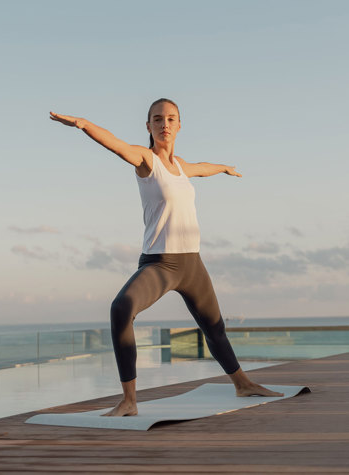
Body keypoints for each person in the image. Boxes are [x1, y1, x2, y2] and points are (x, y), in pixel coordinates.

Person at [50, 98, 283, 417]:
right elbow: (116, 145)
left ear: (179, 125)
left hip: (192, 265)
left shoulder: (181, 166)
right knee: (121, 309)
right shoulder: (147, 160)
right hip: (161, 264)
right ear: (148, 126)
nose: (165, 124)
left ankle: (242, 383)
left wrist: (224, 168)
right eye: (157, 119)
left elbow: (202, 168)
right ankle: (129, 400)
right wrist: (84, 124)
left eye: (171, 119)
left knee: (214, 328)